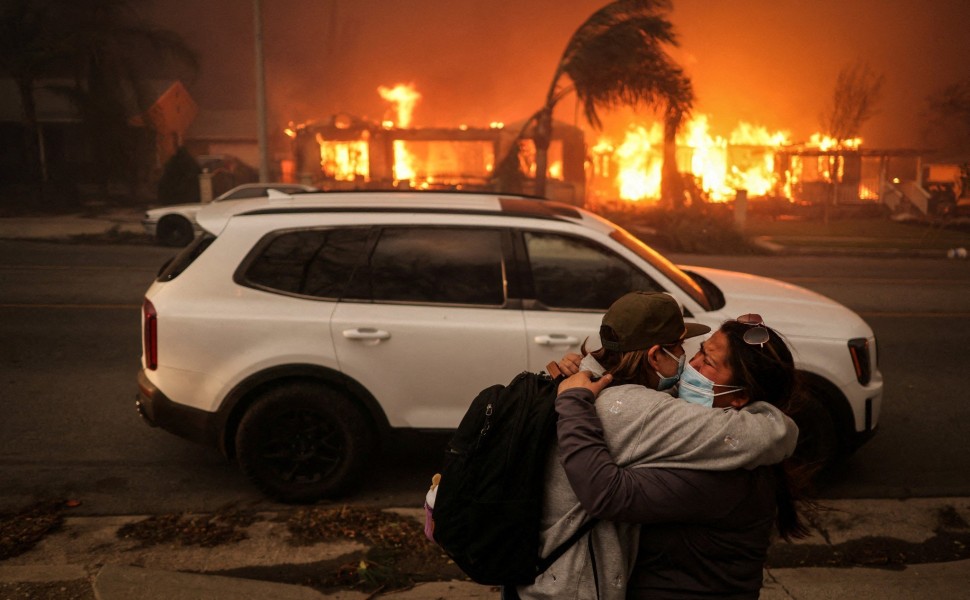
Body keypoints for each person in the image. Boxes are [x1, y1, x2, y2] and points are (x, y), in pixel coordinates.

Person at [511, 293, 798, 600]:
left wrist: (581, 376)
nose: (690, 363)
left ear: (741, 394)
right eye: (689, 349)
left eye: (707, 361)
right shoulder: (648, 413)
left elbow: (614, 486)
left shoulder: (726, 465)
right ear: (655, 356)